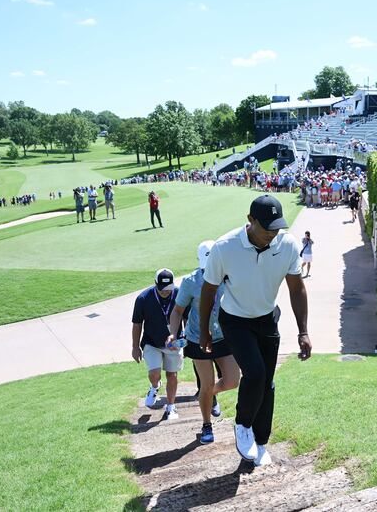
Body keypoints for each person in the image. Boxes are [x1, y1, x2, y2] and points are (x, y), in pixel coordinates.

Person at [200, 195, 312, 467]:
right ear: (250, 221)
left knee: (268, 383)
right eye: (266, 229)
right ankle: (242, 425)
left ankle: (261, 442)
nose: (272, 235)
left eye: (277, 228)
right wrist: (204, 331)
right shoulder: (225, 247)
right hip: (235, 320)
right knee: (255, 373)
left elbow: (297, 289)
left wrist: (303, 332)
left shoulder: (286, 245)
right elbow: (208, 291)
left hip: (266, 319)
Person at [169, 241, 240, 445]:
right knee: (206, 382)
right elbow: (177, 311)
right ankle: (207, 424)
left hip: (223, 336)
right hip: (197, 338)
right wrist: (173, 334)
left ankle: (208, 395)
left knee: (233, 380)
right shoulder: (191, 281)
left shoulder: (228, 276)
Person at [132, 269, 183, 420]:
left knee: (172, 375)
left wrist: (185, 338)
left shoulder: (180, 294)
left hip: (173, 343)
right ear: (155, 284)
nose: (165, 292)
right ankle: (155, 387)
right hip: (151, 342)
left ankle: (171, 407)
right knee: (154, 373)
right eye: (162, 289)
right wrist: (135, 347)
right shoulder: (143, 298)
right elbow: (137, 324)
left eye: (168, 289)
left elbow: (187, 317)